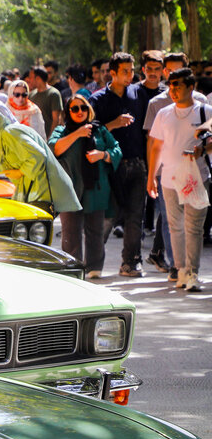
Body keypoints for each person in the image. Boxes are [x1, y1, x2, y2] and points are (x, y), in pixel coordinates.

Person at [147, 69, 212, 291]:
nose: (172, 89)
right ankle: (181, 270)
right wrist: (151, 177)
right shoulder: (164, 113)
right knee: (175, 227)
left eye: (177, 85)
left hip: (196, 177)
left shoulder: (205, 111)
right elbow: (156, 147)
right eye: (170, 85)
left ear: (190, 87)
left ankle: (192, 273)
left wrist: (201, 149)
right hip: (168, 179)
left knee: (194, 227)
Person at [89, 52, 149, 277]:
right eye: (125, 71)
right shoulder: (98, 100)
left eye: (132, 71)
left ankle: (130, 262)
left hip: (137, 164)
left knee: (135, 216)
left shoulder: (137, 94)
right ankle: (92, 263)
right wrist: (113, 124)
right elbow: (91, 133)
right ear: (112, 73)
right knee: (107, 216)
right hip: (110, 166)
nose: (130, 76)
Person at [49, 95, 122, 278]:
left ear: (88, 109)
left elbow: (116, 150)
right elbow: (54, 148)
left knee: (95, 231)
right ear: (68, 112)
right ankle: (73, 270)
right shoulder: (62, 130)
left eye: (83, 108)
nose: (80, 112)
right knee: (71, 232)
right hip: (70, 190)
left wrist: (102, 155)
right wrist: (78, 133)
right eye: (74, 109)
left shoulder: (100, 130)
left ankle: (94, 268)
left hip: (96, 188)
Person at [0, 111, 81, 220]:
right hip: (33, 195)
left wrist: (19, 172)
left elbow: (38, 155)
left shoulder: (10, 133)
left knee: (30, 234)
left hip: (44, 192)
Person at [28, 66, 63, 135]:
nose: (29, 80)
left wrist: (49, 139)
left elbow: (56, 120)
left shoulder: (54, 94)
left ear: (38, 78)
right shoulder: (31, 95)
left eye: (31, 77)